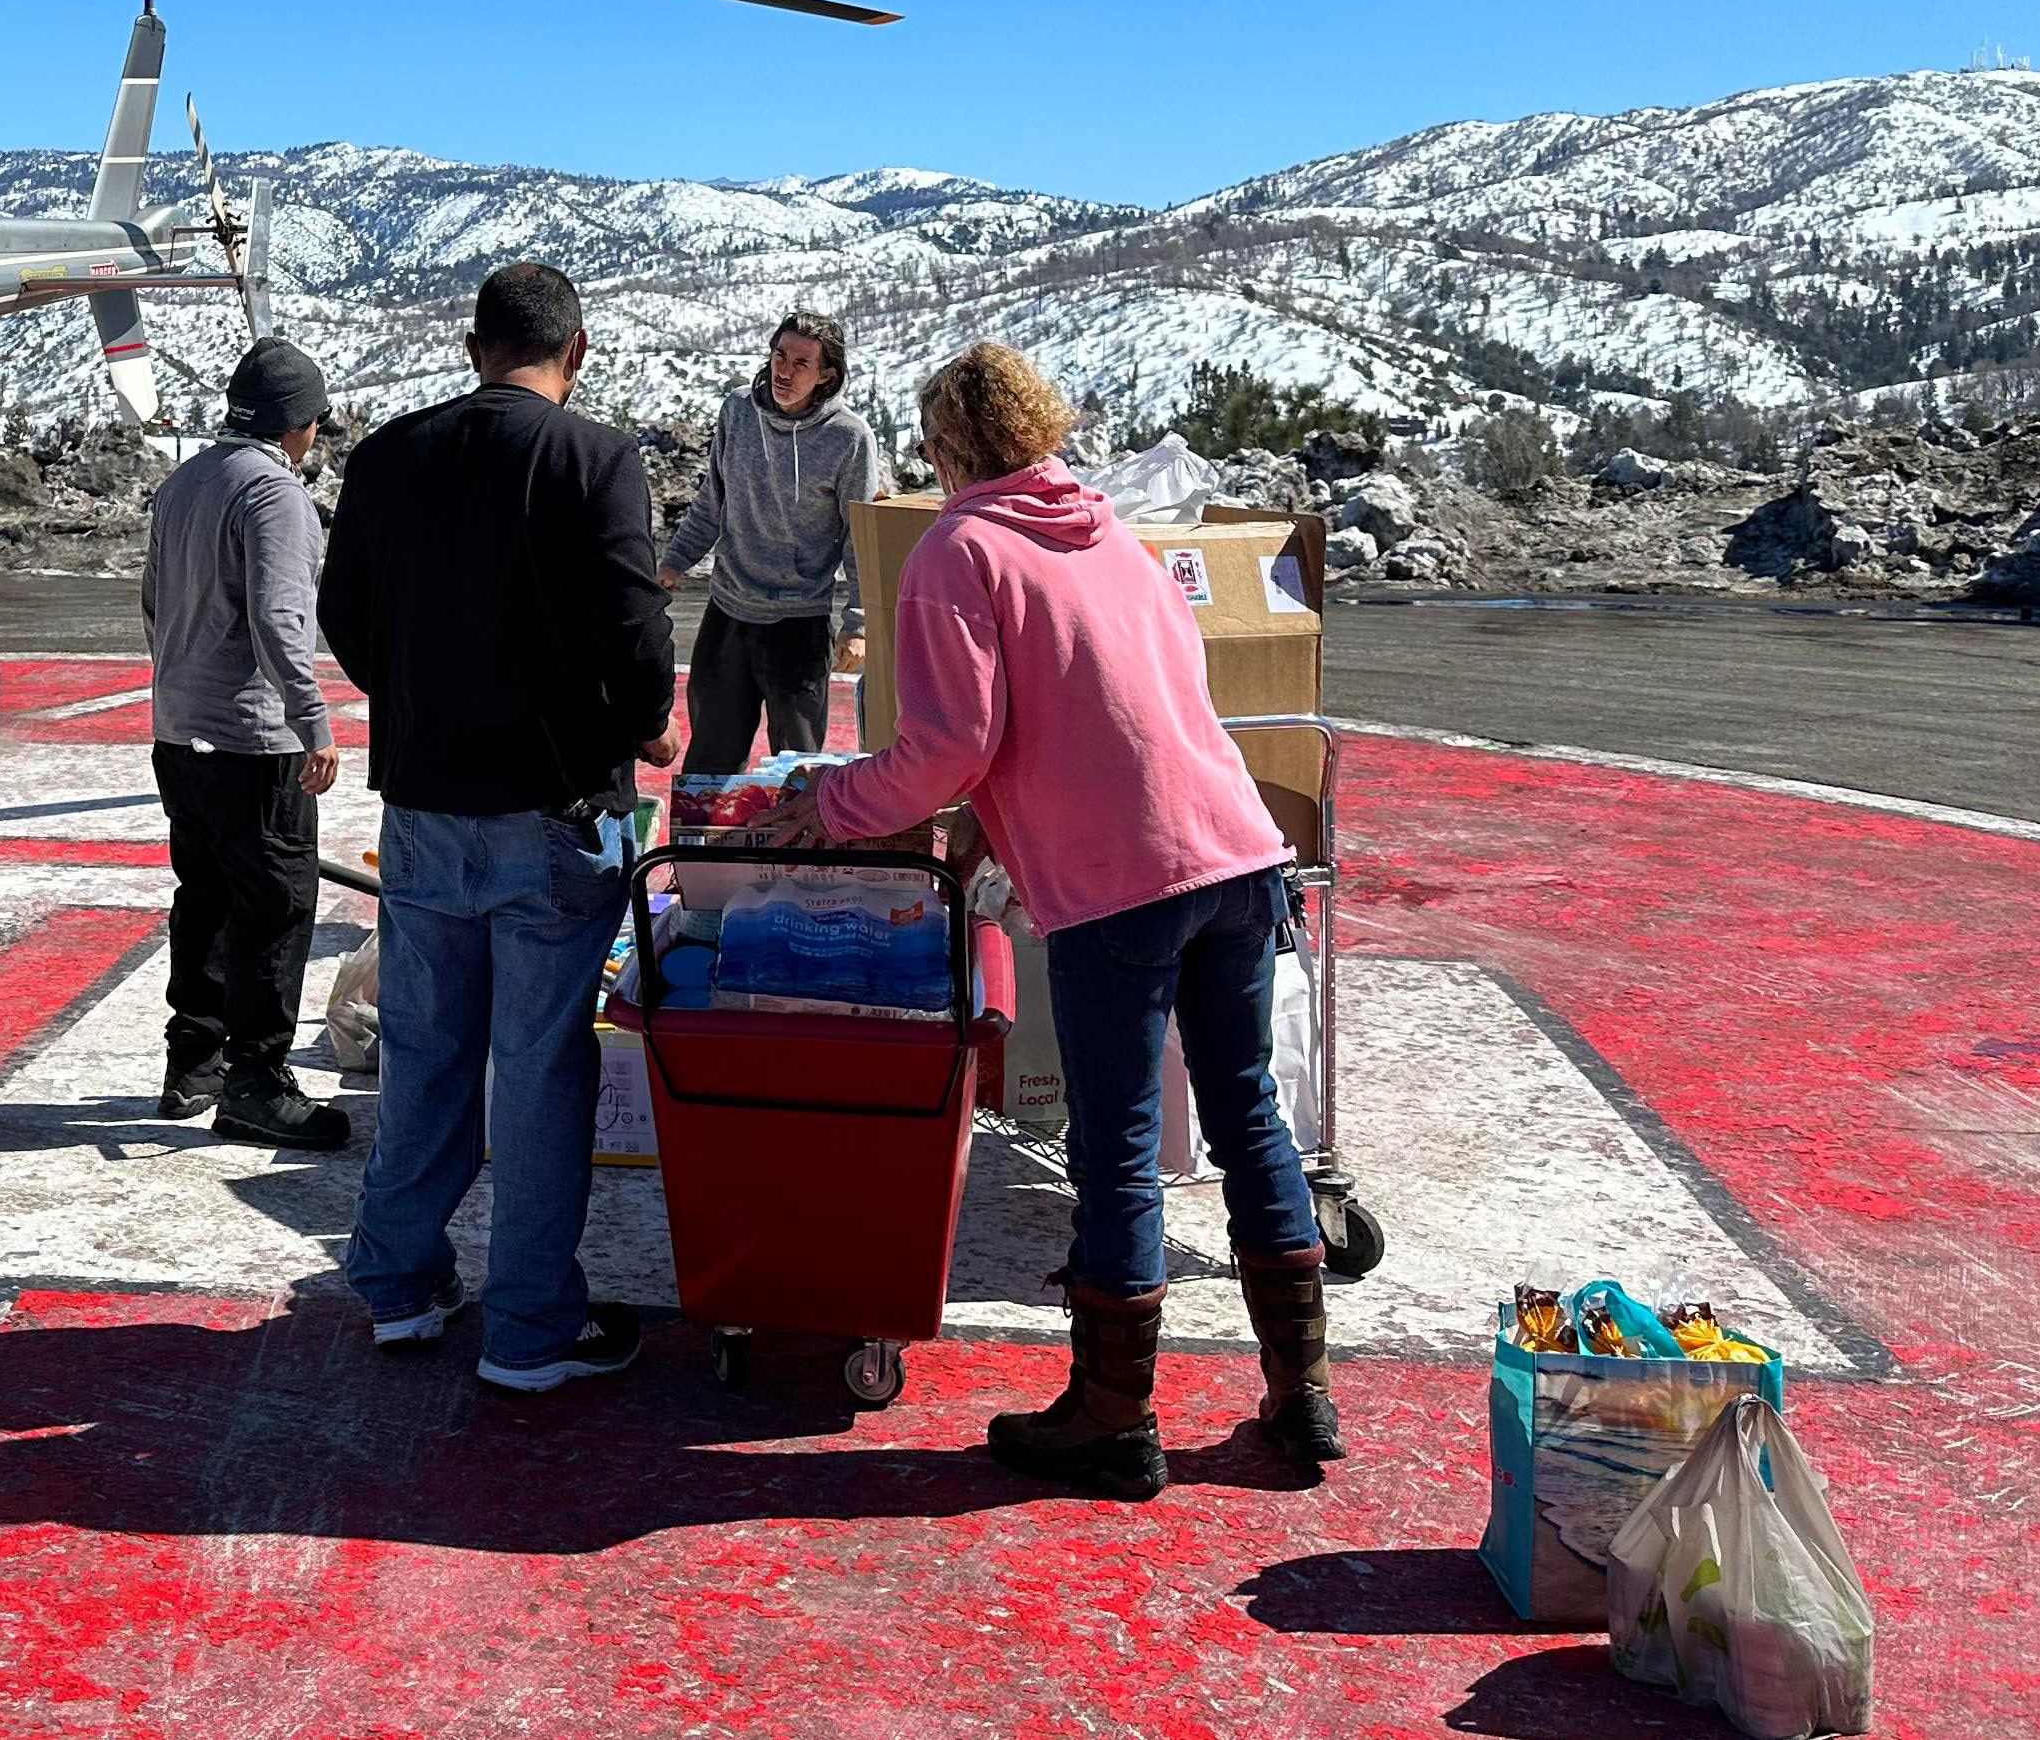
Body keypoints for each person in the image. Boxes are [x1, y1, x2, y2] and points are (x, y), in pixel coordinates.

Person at [784, 339, 1325, 1500]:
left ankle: (1112, 1413)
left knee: (1115, 1142)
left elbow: (942, 750)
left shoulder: (956, 549)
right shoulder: (1113, 536)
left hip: (1116, 882)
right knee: (1245, 1113)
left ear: (940, 444)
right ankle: (1297, 1392)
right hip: (1233, 851)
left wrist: (826, 801)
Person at [320, 261, 680, 1392]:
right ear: (574, 350)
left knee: (423, 1053)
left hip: (421, 803)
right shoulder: (592, 457)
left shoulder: (385, 454)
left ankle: (398, 1286)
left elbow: (343, 611)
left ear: (472, 347)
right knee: (536, 1068)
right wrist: (640, 733)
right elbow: (631, 621)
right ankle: (528, 1328)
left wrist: (413, 700)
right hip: (551, 803)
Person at [141, 338, 351, 1151]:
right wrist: (312, 721)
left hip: (178, 733)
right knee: (275, 904)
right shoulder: (275, 496)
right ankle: (258, 1081)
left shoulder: (185, 480)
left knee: (204, 894)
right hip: (250, 740)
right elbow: (279, 618)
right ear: (301, 422)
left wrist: (177, 689)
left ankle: (192, 1062)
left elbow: (153, 601)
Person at [658, 310, 883, 770]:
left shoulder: (850, 439)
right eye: (780, 355)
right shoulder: (738, 411)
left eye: (802, 363)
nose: (784, 370)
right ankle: (709, 846)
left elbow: (859, 538)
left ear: (826, 376)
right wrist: (672, 563)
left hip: (800, 625)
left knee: (796, 770)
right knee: (709, 766)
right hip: (727, 615)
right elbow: (711, 503)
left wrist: (857, 624)